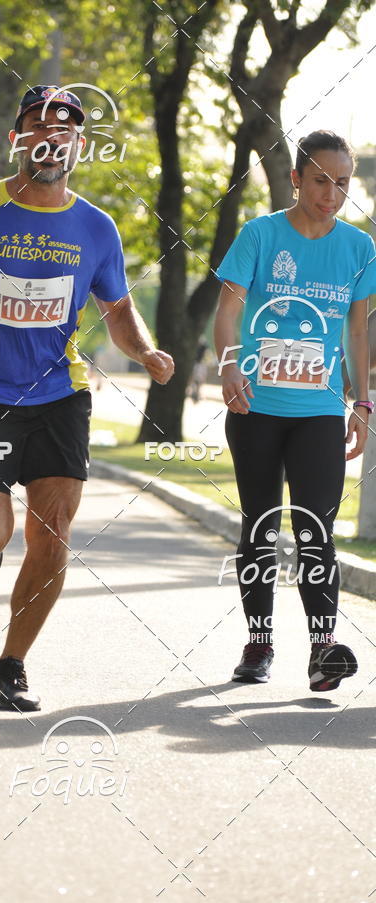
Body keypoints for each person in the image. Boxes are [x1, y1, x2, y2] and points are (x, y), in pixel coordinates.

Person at [0, 85, 174, 711]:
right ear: (17, 140)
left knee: (52, 535)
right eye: (36, 124)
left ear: (77, 146)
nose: (51, 134)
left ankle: (10, 665)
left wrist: (147, 352)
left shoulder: (96, 227)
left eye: (65, 127)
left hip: (61, 391)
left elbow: (119, 310)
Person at [214, 130, 375, 692]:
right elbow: (228, 314)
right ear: (296, 179)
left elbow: (357, 330)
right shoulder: (260, 235)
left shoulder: (359, 248)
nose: (332, 194)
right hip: (256, 406)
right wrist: (229, 365)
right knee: (259, 525)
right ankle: (259, 642)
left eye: (343, 184)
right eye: (322, 181)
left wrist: (362, 400)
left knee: (316, 530)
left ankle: (322, 649)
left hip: (320, 414)